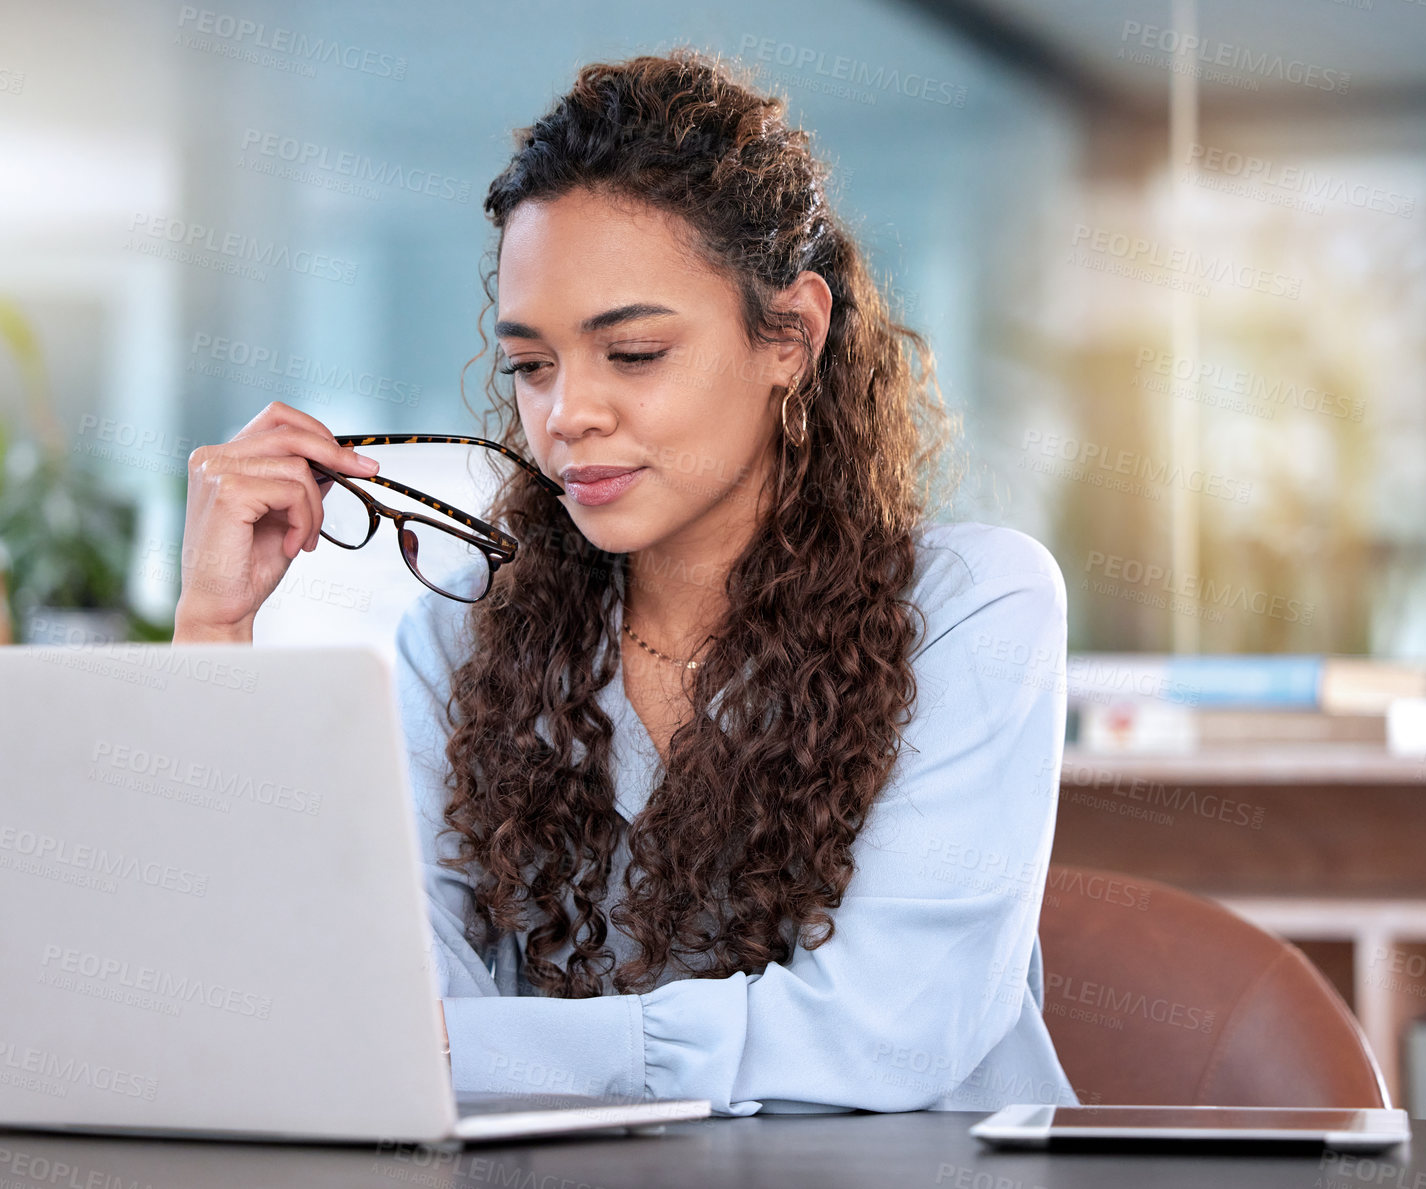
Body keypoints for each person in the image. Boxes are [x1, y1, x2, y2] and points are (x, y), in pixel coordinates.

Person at [175, 48, 1077, 1115]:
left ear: (789, 334)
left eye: (634, 353)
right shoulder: (464, 635)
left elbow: (881, 1039)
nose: (567, 416)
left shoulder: (971, 608)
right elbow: (365, 1011)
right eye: (532, 364)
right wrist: (213, 632)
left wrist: (488, 1046)